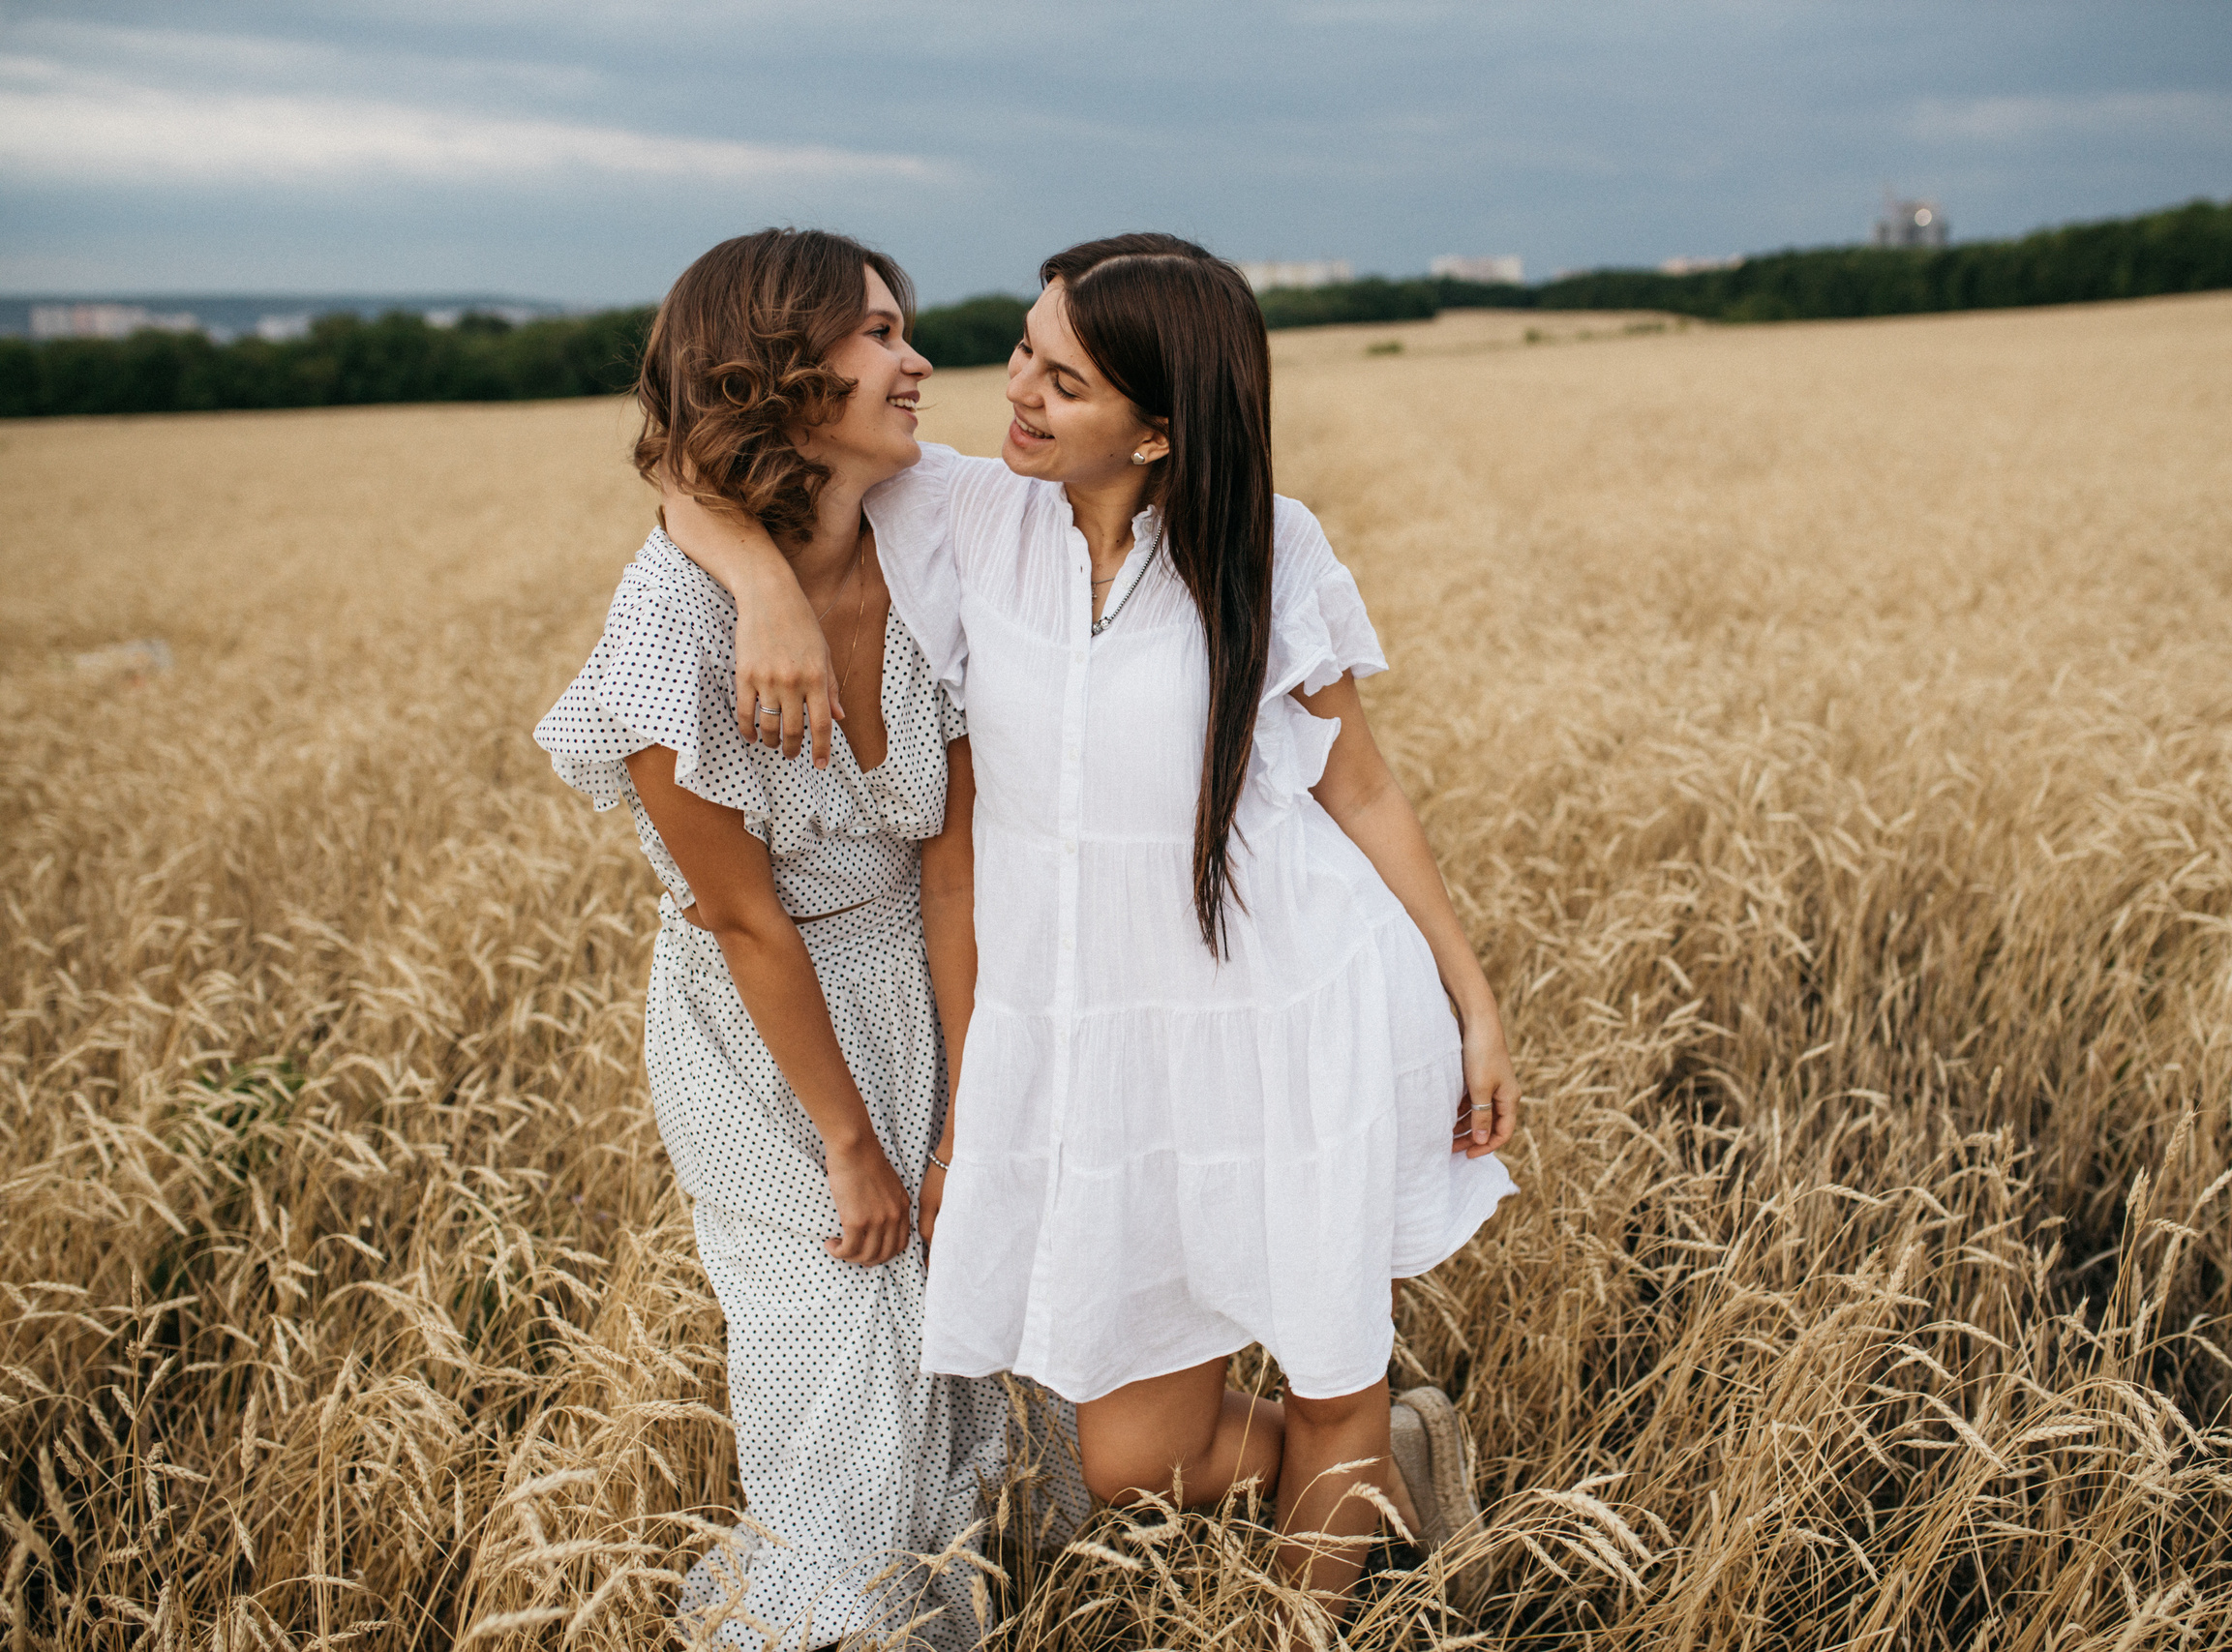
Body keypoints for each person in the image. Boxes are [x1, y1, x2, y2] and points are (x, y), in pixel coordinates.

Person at [660, 233, 1522, 1616]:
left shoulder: (1268, 548)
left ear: (1163, 427)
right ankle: (1401, 1468)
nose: (1014, 389)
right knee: (1128, 1454)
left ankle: (1310, 1606)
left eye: (1063, 378)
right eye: (1022, 348)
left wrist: (1473, 1000)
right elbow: (696, 464)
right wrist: (761, 584)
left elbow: (1359, 786)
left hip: (1295, 1012)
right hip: (1108, 1048)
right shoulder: (966, 516)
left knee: (1325, 1359)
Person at [533, 227, 1075, 1652]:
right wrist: (854, 1140)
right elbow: (742, 915)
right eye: (883, 335)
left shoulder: (935, 550)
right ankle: (833, 1624)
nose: (920, 360)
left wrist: (965, 1120)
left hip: (931, 986)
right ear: (783, 370)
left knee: (970, 1363)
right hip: (767, 1044)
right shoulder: (668, 629)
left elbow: (952, 878)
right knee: (839, 1373)